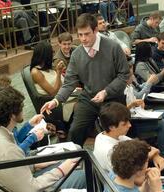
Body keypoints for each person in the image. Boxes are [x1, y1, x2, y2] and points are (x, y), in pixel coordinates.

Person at [0, 85, 85, 192]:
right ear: (12, 115)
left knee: (70, 162)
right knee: (83, 176)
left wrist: (34, 165)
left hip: (12, 187)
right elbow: (31, 188)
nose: (22, 108)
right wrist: (61, 170)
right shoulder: (5, 149)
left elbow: (8, 169)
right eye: (20, 106)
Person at [40, 13, 129, 146]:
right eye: (80, 35)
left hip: (112, 99)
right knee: (75, 131)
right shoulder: (77, 54)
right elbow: (69, 82)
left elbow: (124, 75)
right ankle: (73, 162)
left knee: (118, 136)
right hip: (89, 98)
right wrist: (56, 100)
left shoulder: (113, 47)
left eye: (87, 34)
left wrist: (106, 92)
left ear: (95, 30)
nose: (83, 39)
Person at [0, 73, 48, 154]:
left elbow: (15, 140)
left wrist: (29, 125)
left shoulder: (2, 113)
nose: (12, 92)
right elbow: (13, 153)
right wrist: (32, 138)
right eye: (8, 89)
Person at [93, 102, 164, 174]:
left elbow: (142, 147)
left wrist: (155, 156)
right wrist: (150, 156)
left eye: (128, 121)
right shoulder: (109, 151)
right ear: (112, 127)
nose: (130, 125)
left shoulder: (108, 135)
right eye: (124, 124)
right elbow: (126, 178)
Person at [30, 41, 74, 141]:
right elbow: (53, 92)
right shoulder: (36, 72)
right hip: (54, 101)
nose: (53, 54)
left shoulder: (48, 67)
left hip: (65, 94)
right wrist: (58, 73)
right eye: (51, 52)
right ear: (45, 55)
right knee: (81, 104)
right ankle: (73, 134)